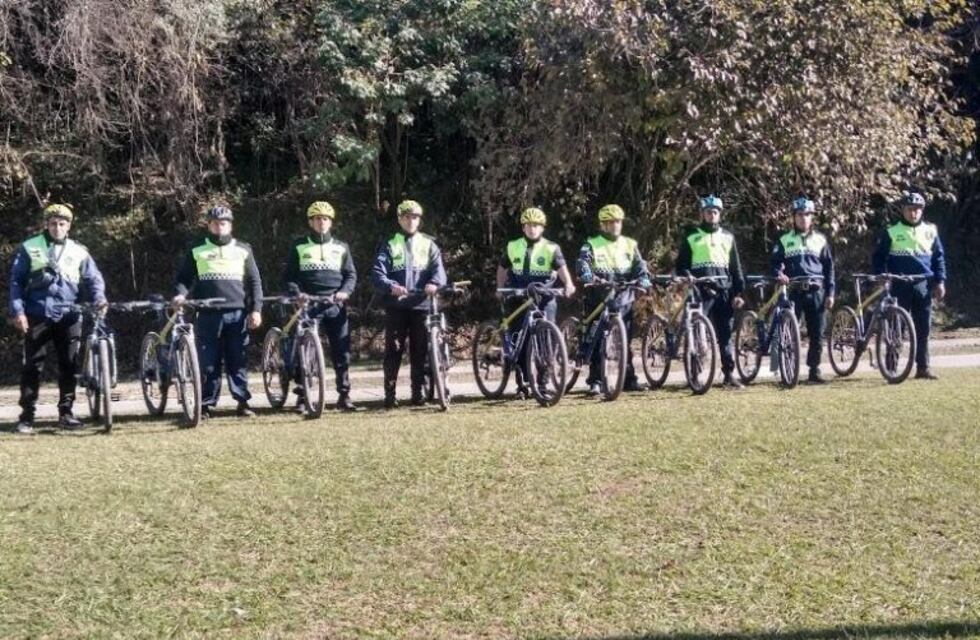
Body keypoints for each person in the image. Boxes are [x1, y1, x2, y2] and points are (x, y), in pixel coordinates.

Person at [8, 203, 107, 434]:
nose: (57, 227)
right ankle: (27, 417)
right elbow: (16, 282)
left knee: (69, 366)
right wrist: (18, 311)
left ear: (69, 226)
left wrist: (99, 298)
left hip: (70, 315)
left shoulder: (79, 250)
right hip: (37, 315)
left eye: (62, 224)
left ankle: (66, 413)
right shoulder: (30, 246)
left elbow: (94, 279)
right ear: (46, 224)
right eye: (52, 223)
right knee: (32, 367)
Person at [174, 205, 264, 418]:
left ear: (230, 225)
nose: (219, 226)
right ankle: (205, 404)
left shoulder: (243, 249)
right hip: (207, 314)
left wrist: (256, 310)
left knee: (238, 360)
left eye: (223, 223)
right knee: (208, 362)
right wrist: (180, 294)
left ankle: (242, 402)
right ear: (209, 225)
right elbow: (184, 279)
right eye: (215, 223)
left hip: (237, 313)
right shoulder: (197, 248)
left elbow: (254, 282)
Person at [371, 199, 447, 408]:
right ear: (399, 219)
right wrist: (390, 286)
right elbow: (378, 273)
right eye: (406, 217)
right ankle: (390, 393)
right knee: (393, 350)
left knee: (420, 351)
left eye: (414, 217)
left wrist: (434, 283)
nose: (410, 221)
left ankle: (417, 393)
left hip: (421, 305)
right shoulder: (389, 243)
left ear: (419, 220)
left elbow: (438, 270)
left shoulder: (429, 243)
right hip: (396, 306)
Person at [283, 201, 358, 412]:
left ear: (331, 222)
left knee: (341, 351)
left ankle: (344, 395)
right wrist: (297, 294)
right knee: (304, 350)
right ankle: (302, 396)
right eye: (317, 219)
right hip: (309, 304)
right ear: (311, 222)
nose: (321, 222)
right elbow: (289, 276)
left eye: (325, 219)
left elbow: (350, 274)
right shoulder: (299, 245)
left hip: (335, 303)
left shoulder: (342, 247)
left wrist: (345, 291)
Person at [495, 207, 576, 396]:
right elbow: (502, 268)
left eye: (536, 225)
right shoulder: (513, 245)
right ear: (523, 228)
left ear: (542, 228)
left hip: (544, 298)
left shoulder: (551, 247)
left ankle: (542, 384)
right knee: (519, 340)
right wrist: (500, 287)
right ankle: (522, 382)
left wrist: (569, 284)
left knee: (545, 340)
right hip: (517, 296)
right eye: (529, 225)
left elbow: (562, 269)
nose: (533, 229)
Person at [576, 204, 652, 394]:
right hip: (599, 296)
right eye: (610, 223)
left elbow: (640, 266)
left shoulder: (630, 244)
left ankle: (629, 379)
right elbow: (583, 261)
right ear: (603, 225)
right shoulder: (591, 244)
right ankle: (595, 380)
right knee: (597, 339)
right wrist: (586, 274)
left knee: (624, 341)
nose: (614, 225)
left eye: (617, 222)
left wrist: (643, 278)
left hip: (623, 298)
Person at [872, 191, 947, 379]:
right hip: (899, 284)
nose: (913, 213)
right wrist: (882, 275)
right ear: (903, 210)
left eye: (917, 210)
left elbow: (939, 259)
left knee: (923, 329)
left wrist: (940, 281)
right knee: (895, 328)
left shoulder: (931, 231)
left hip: (923, 284)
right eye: (909, 209)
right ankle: (891, 367)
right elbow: (879, 257)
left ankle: (923, 367)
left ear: (922, 211)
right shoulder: (892, 231)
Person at [675, 195, 746, 388]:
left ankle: (729, 374)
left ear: (719, 215)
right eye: (708, 212)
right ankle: (695, 375)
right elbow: (681, 265)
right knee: (696, 333)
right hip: (700, 289)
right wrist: (687, 276)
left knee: (725, 334)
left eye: (715, 212)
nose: (712, 215)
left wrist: (739, 293)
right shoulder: (692, 236)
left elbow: (736, 268)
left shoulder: (728, 237)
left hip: (724, 290)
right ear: (702, 214)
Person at [769, 197, 836, 383]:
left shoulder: (821, 240)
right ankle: (788, 371)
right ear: (794, 217)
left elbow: (830, 268)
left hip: (816, 290)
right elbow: (775, 264)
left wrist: (831, 293)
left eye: (807, 214)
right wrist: (778, 274)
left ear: (811, 217)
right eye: (799, 215)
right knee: (789, 332)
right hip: (794, 291)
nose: (803, 218)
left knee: (817, 333)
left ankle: (814, 370)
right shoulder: (784, 240)